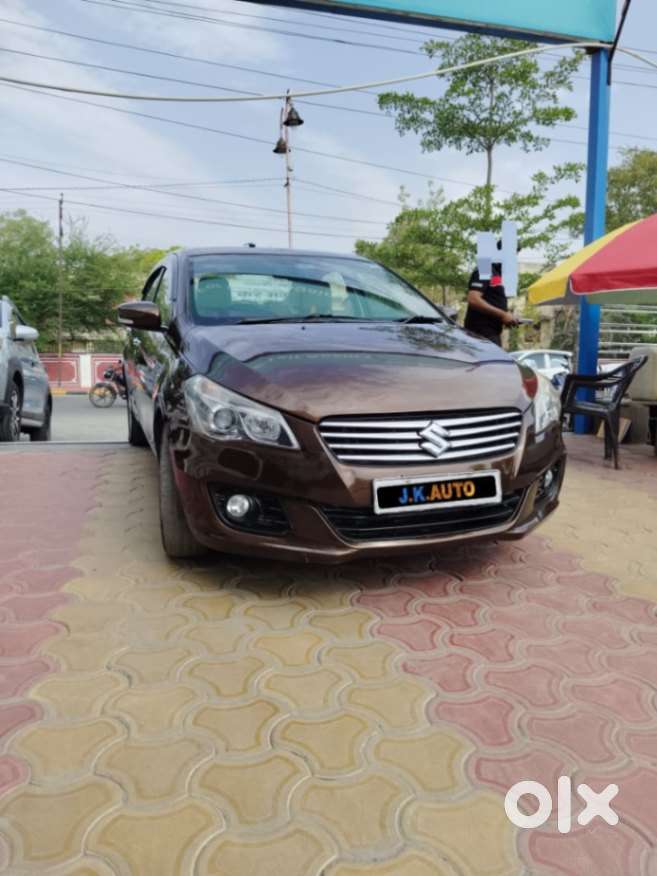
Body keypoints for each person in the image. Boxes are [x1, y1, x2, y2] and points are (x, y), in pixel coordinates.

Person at [464, 251, 518, 346]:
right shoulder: (485, 267)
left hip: (491, 334)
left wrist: (508, 316)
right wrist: (502, 315)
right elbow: (473, 299)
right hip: (481, 335)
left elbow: (493, 299)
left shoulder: (496, 274)